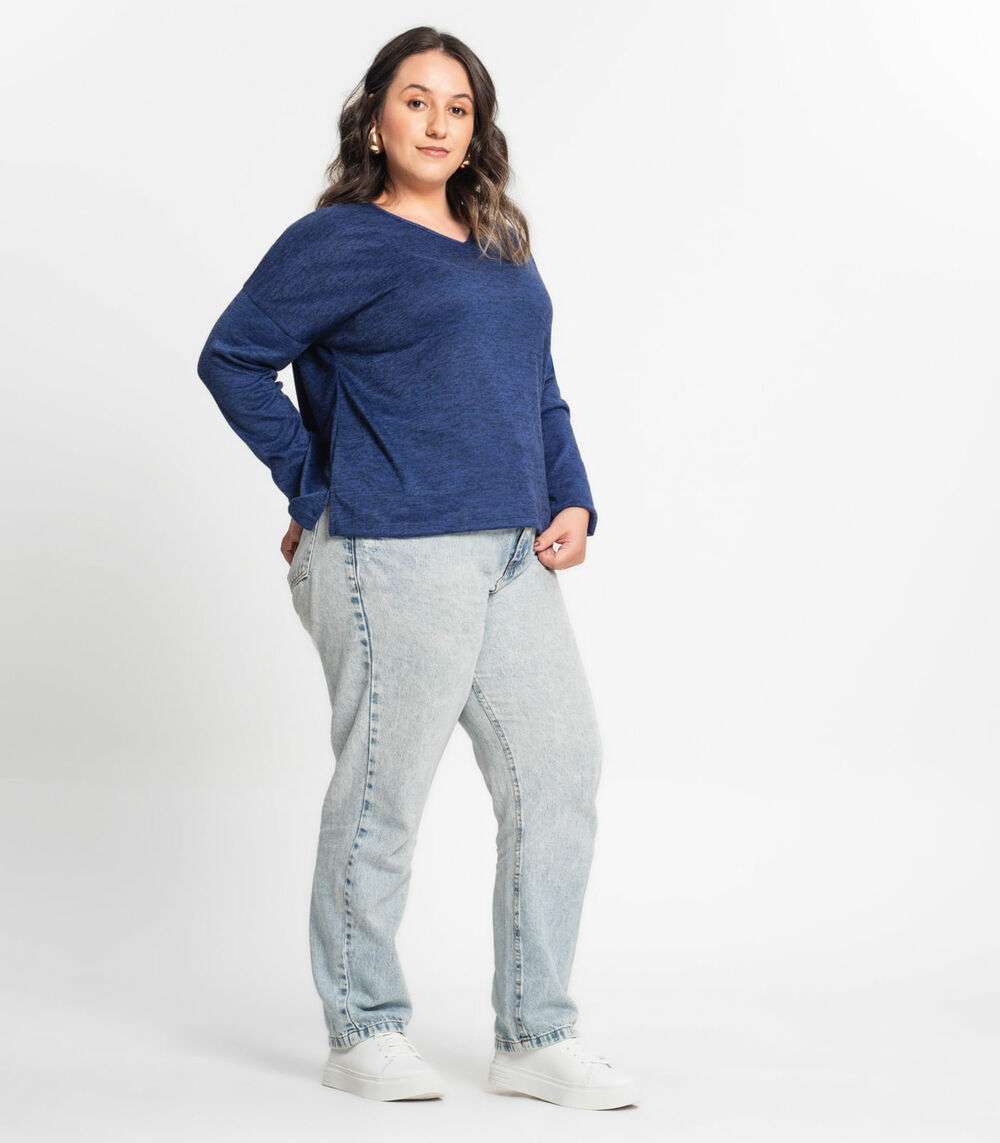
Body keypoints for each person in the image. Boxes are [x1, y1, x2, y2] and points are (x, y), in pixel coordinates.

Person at [196, 25, 638, 1111]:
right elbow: (233, 358)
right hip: (391, 553)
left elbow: (535, 385)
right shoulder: (337, 240)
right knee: (385, 793)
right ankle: (362, 1028)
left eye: (458, 107)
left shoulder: (498, 242)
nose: (438, 123)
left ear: (476, 128)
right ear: (375, 118)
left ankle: (536, 1035)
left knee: (560, 771)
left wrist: (571, 494)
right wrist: (316, 487)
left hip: (511, 550)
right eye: (416, 100)